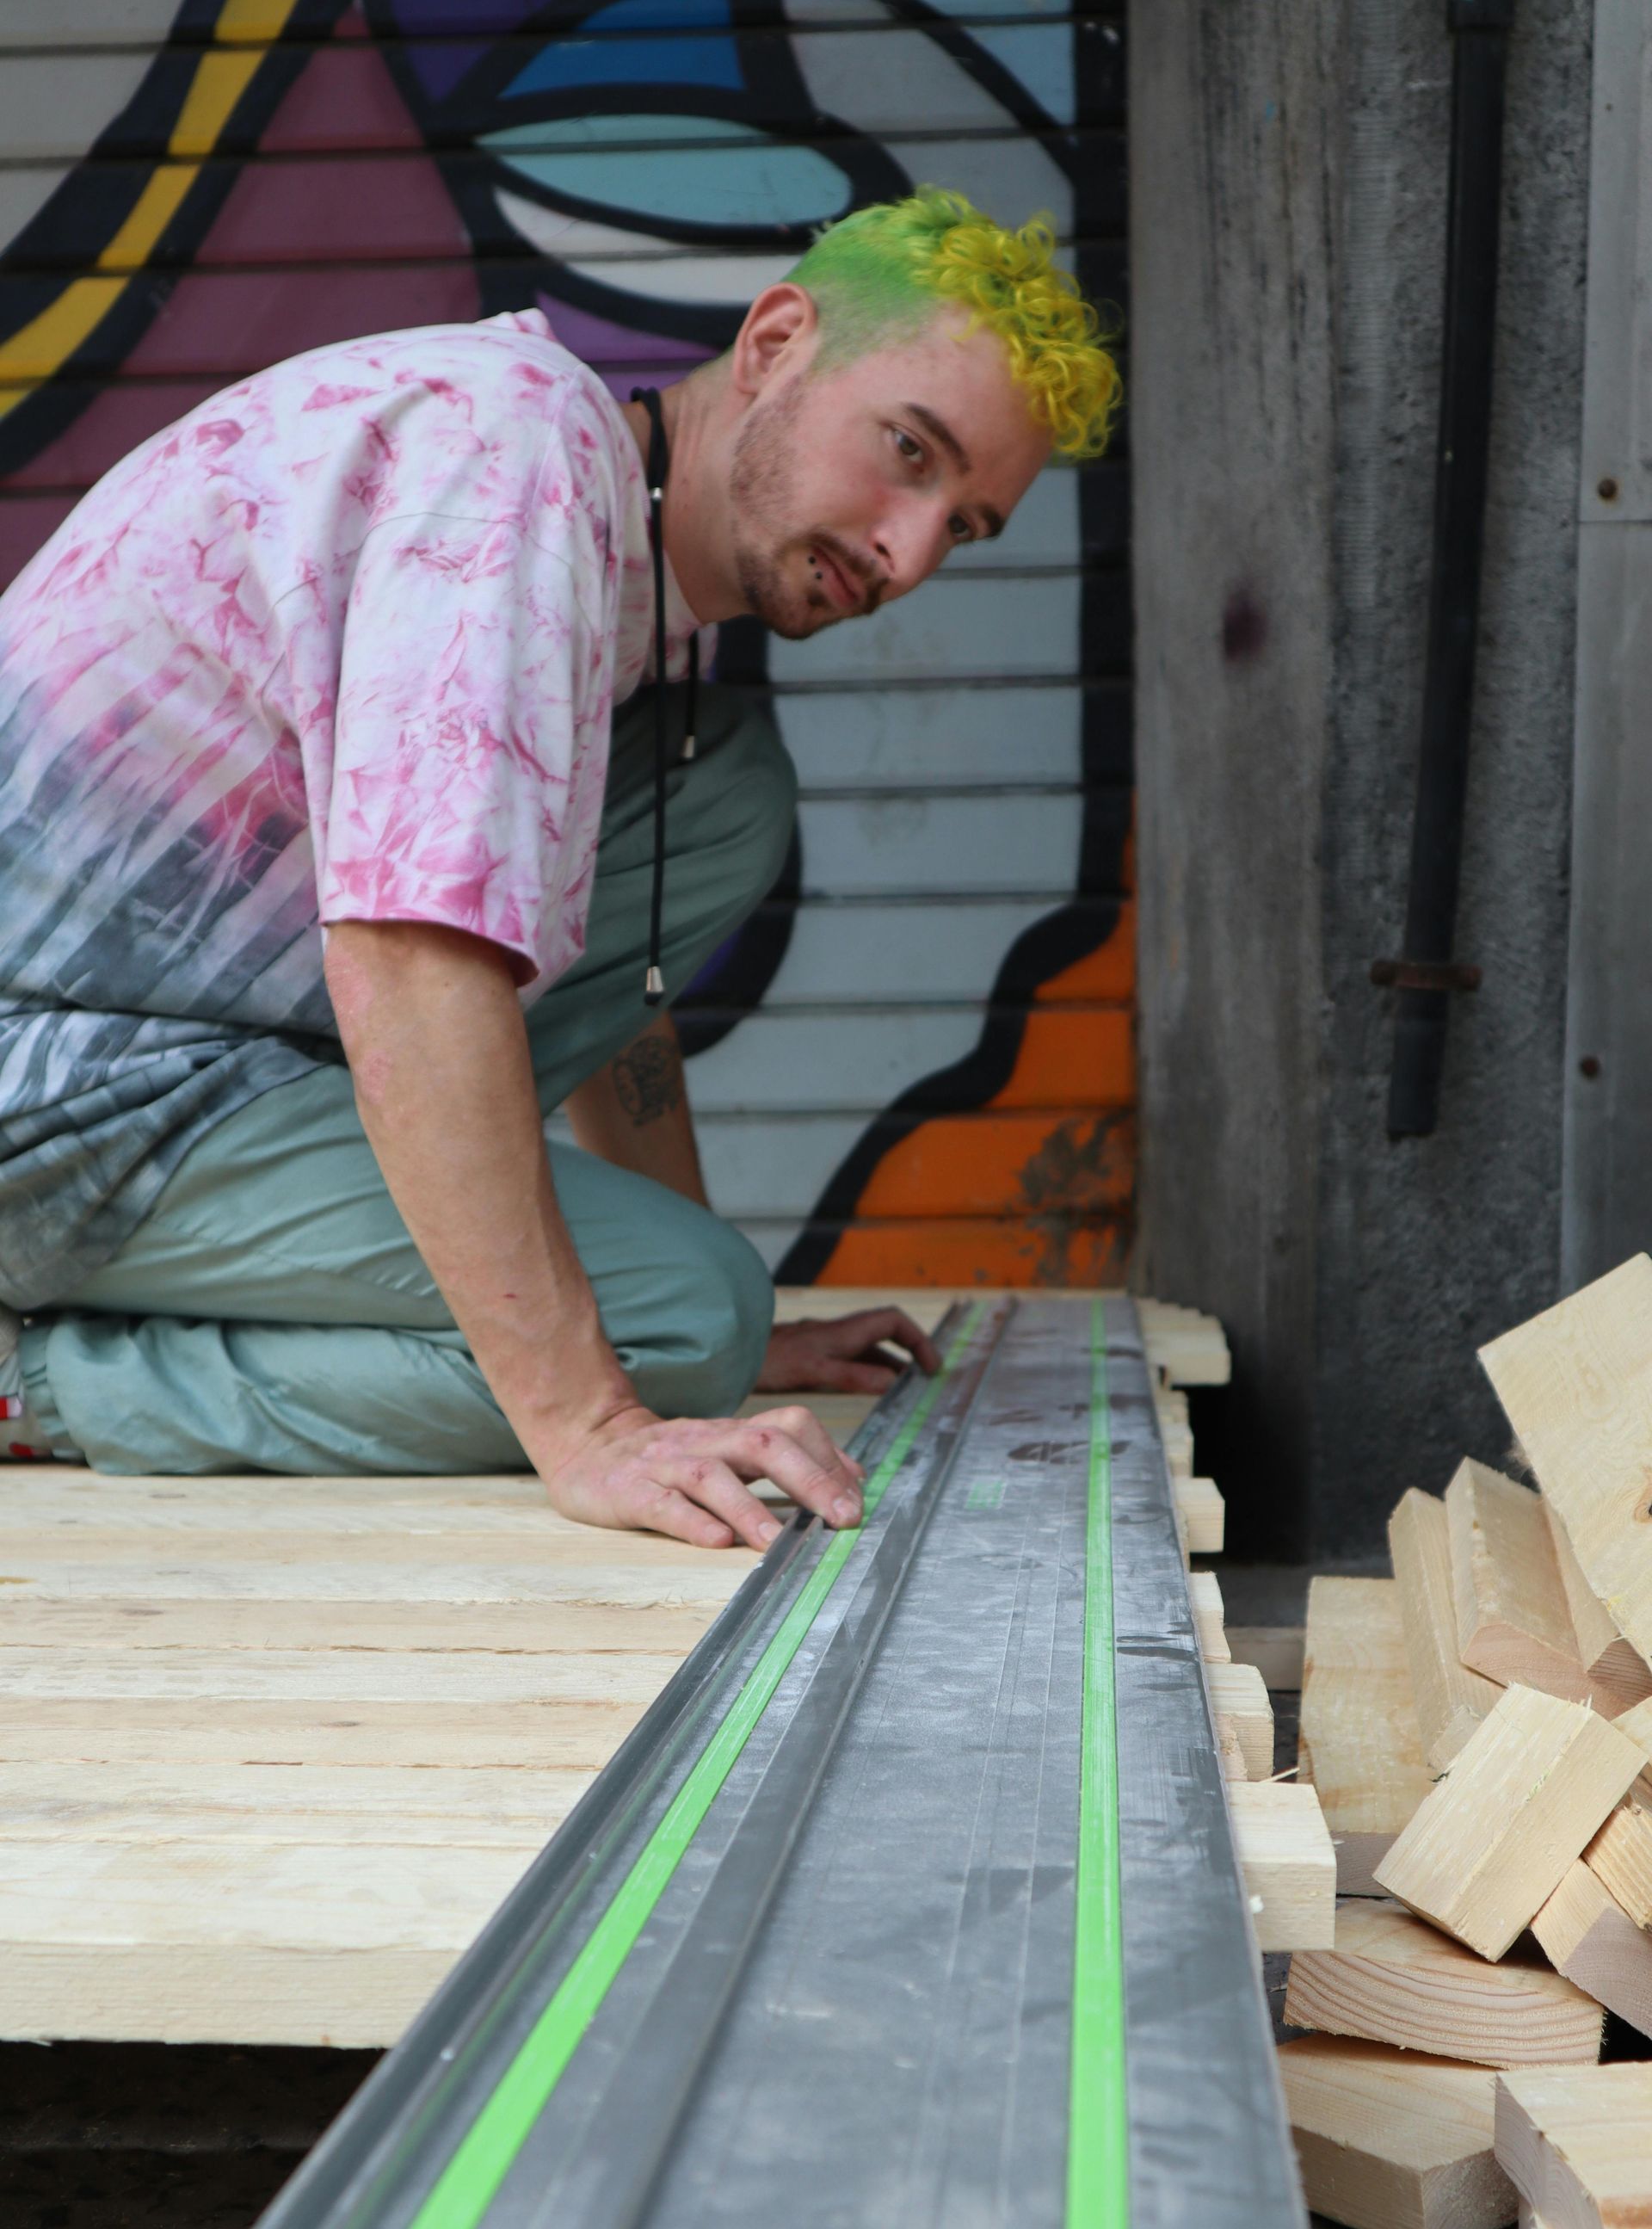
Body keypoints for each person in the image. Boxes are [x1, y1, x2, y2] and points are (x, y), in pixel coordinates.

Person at [0, 188, 1118, 1549]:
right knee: (672, 1318)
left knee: (722, 793)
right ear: (773, 343)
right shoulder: (515, 459)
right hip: (55, 1095)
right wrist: (598, 1417)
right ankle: (33, 1379)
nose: (907, 551)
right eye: (906, 451)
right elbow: (412, 961)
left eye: (967, 526)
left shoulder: (625, 576)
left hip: (192, 1061)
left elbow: (593, 964)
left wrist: (745, 1338)